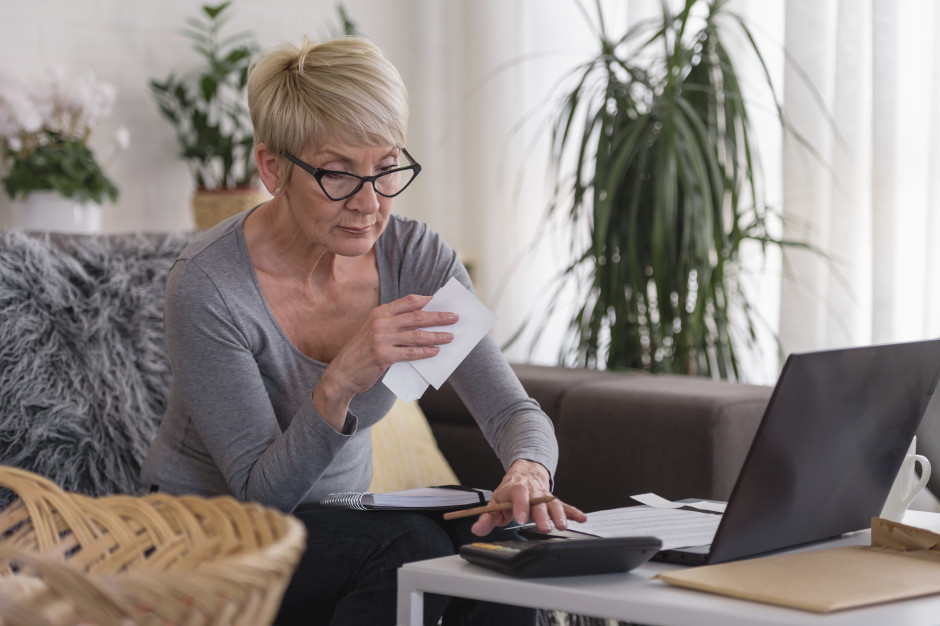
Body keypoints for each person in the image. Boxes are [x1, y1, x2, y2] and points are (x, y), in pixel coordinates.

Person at [140, 36, 586, 625]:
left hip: (350, 525)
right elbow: (261, 497)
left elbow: (512, 413)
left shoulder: (415, 261)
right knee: (408, 549)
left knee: (498, 552)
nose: (370, 204)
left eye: (385, 168)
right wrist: (339, 382)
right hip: (205, 540)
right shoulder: (209, 286)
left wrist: (528, 471)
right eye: (338, 174)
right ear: (273, 169)